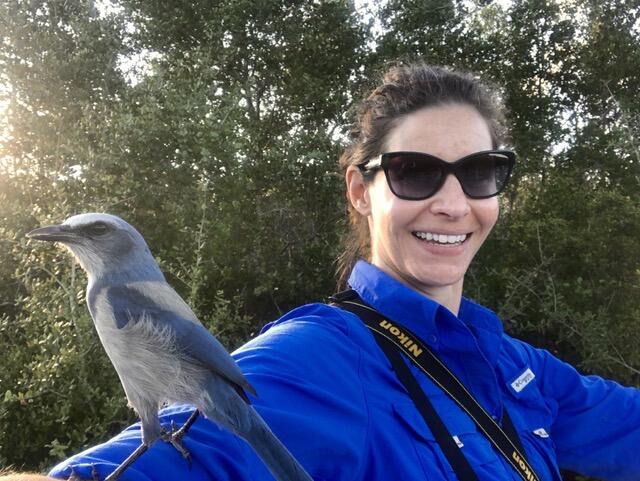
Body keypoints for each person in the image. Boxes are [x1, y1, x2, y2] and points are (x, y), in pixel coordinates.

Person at [4, 62, 640, 481]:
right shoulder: (318, 360)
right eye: (415, 171)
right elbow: (189, 453)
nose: (452, 202)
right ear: (361, 192)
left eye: (478, 171)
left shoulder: (513, 363)